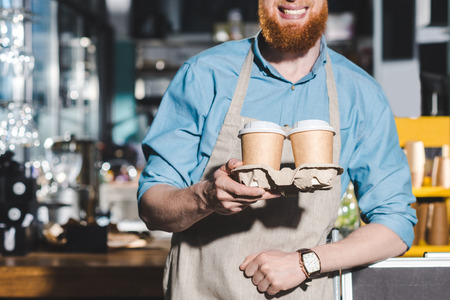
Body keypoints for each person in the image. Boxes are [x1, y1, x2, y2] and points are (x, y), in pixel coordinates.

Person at [138, 0, 417, 299]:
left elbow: (395, 226)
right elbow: (152, 207)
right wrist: (205, 198)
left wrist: (307, 261)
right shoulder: (204, 75)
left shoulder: (361, 94)